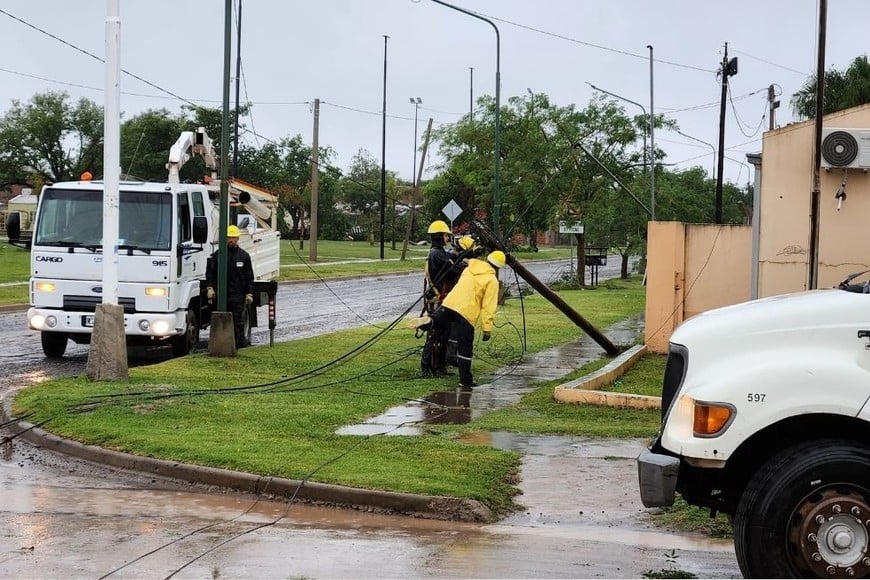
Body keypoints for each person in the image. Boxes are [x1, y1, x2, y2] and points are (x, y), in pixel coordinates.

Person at [427, 250, 505, 388]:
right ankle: (465, 380)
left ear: (487, 259)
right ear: (498, 267)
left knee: (438, 320)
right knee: (465, 347)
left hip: (449, 304)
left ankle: (431, 321)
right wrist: (487, 328)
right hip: (467, 313)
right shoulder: (491, 280)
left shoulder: (470, 268)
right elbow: (488, 307)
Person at [420, 220, 466, 377]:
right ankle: (428, 368)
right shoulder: (437, 254)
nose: (448, 238)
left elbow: (450, 259)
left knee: (443, 334)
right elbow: (453, 269)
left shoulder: (438, 252)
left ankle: (440, 367)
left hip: (441, 299)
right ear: (440, 236)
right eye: (446, 235)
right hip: (440, 299)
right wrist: (464, 262)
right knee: (436, 335)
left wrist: (457, 255)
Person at [206, 225, 254, 348]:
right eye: (229, 237)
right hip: (222, 295)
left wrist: (249, 293)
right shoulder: (218, 255)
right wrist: (210, 287)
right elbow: (210, 272)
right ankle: (220, 345)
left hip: (237, 296)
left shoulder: (244, 256)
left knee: (238, 321)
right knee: (220, 319)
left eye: (233, 237)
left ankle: (239, 345)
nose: (231, 240)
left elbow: (249, 276)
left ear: (238, 238)